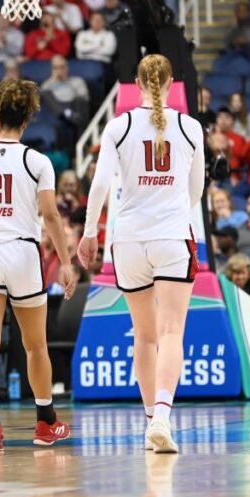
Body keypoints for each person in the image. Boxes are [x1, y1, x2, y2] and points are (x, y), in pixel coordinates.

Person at [79, 53, 205, 453]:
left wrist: (87, 233)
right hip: (171, 236)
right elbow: (196, 191)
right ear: (171, 83)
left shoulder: (118, 126)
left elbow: (99, 186)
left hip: (128, 239)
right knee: (171, 333)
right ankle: (164, 418)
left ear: (135, 82)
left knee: (144, 335)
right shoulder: (191, 128)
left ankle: (150, 418)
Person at [0, 78, 76, 451]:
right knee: (35, 345)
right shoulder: (38, 161)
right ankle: (45, 423)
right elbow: (51, 217)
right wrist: (68, 262)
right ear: (27, 121)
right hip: (24, 253)